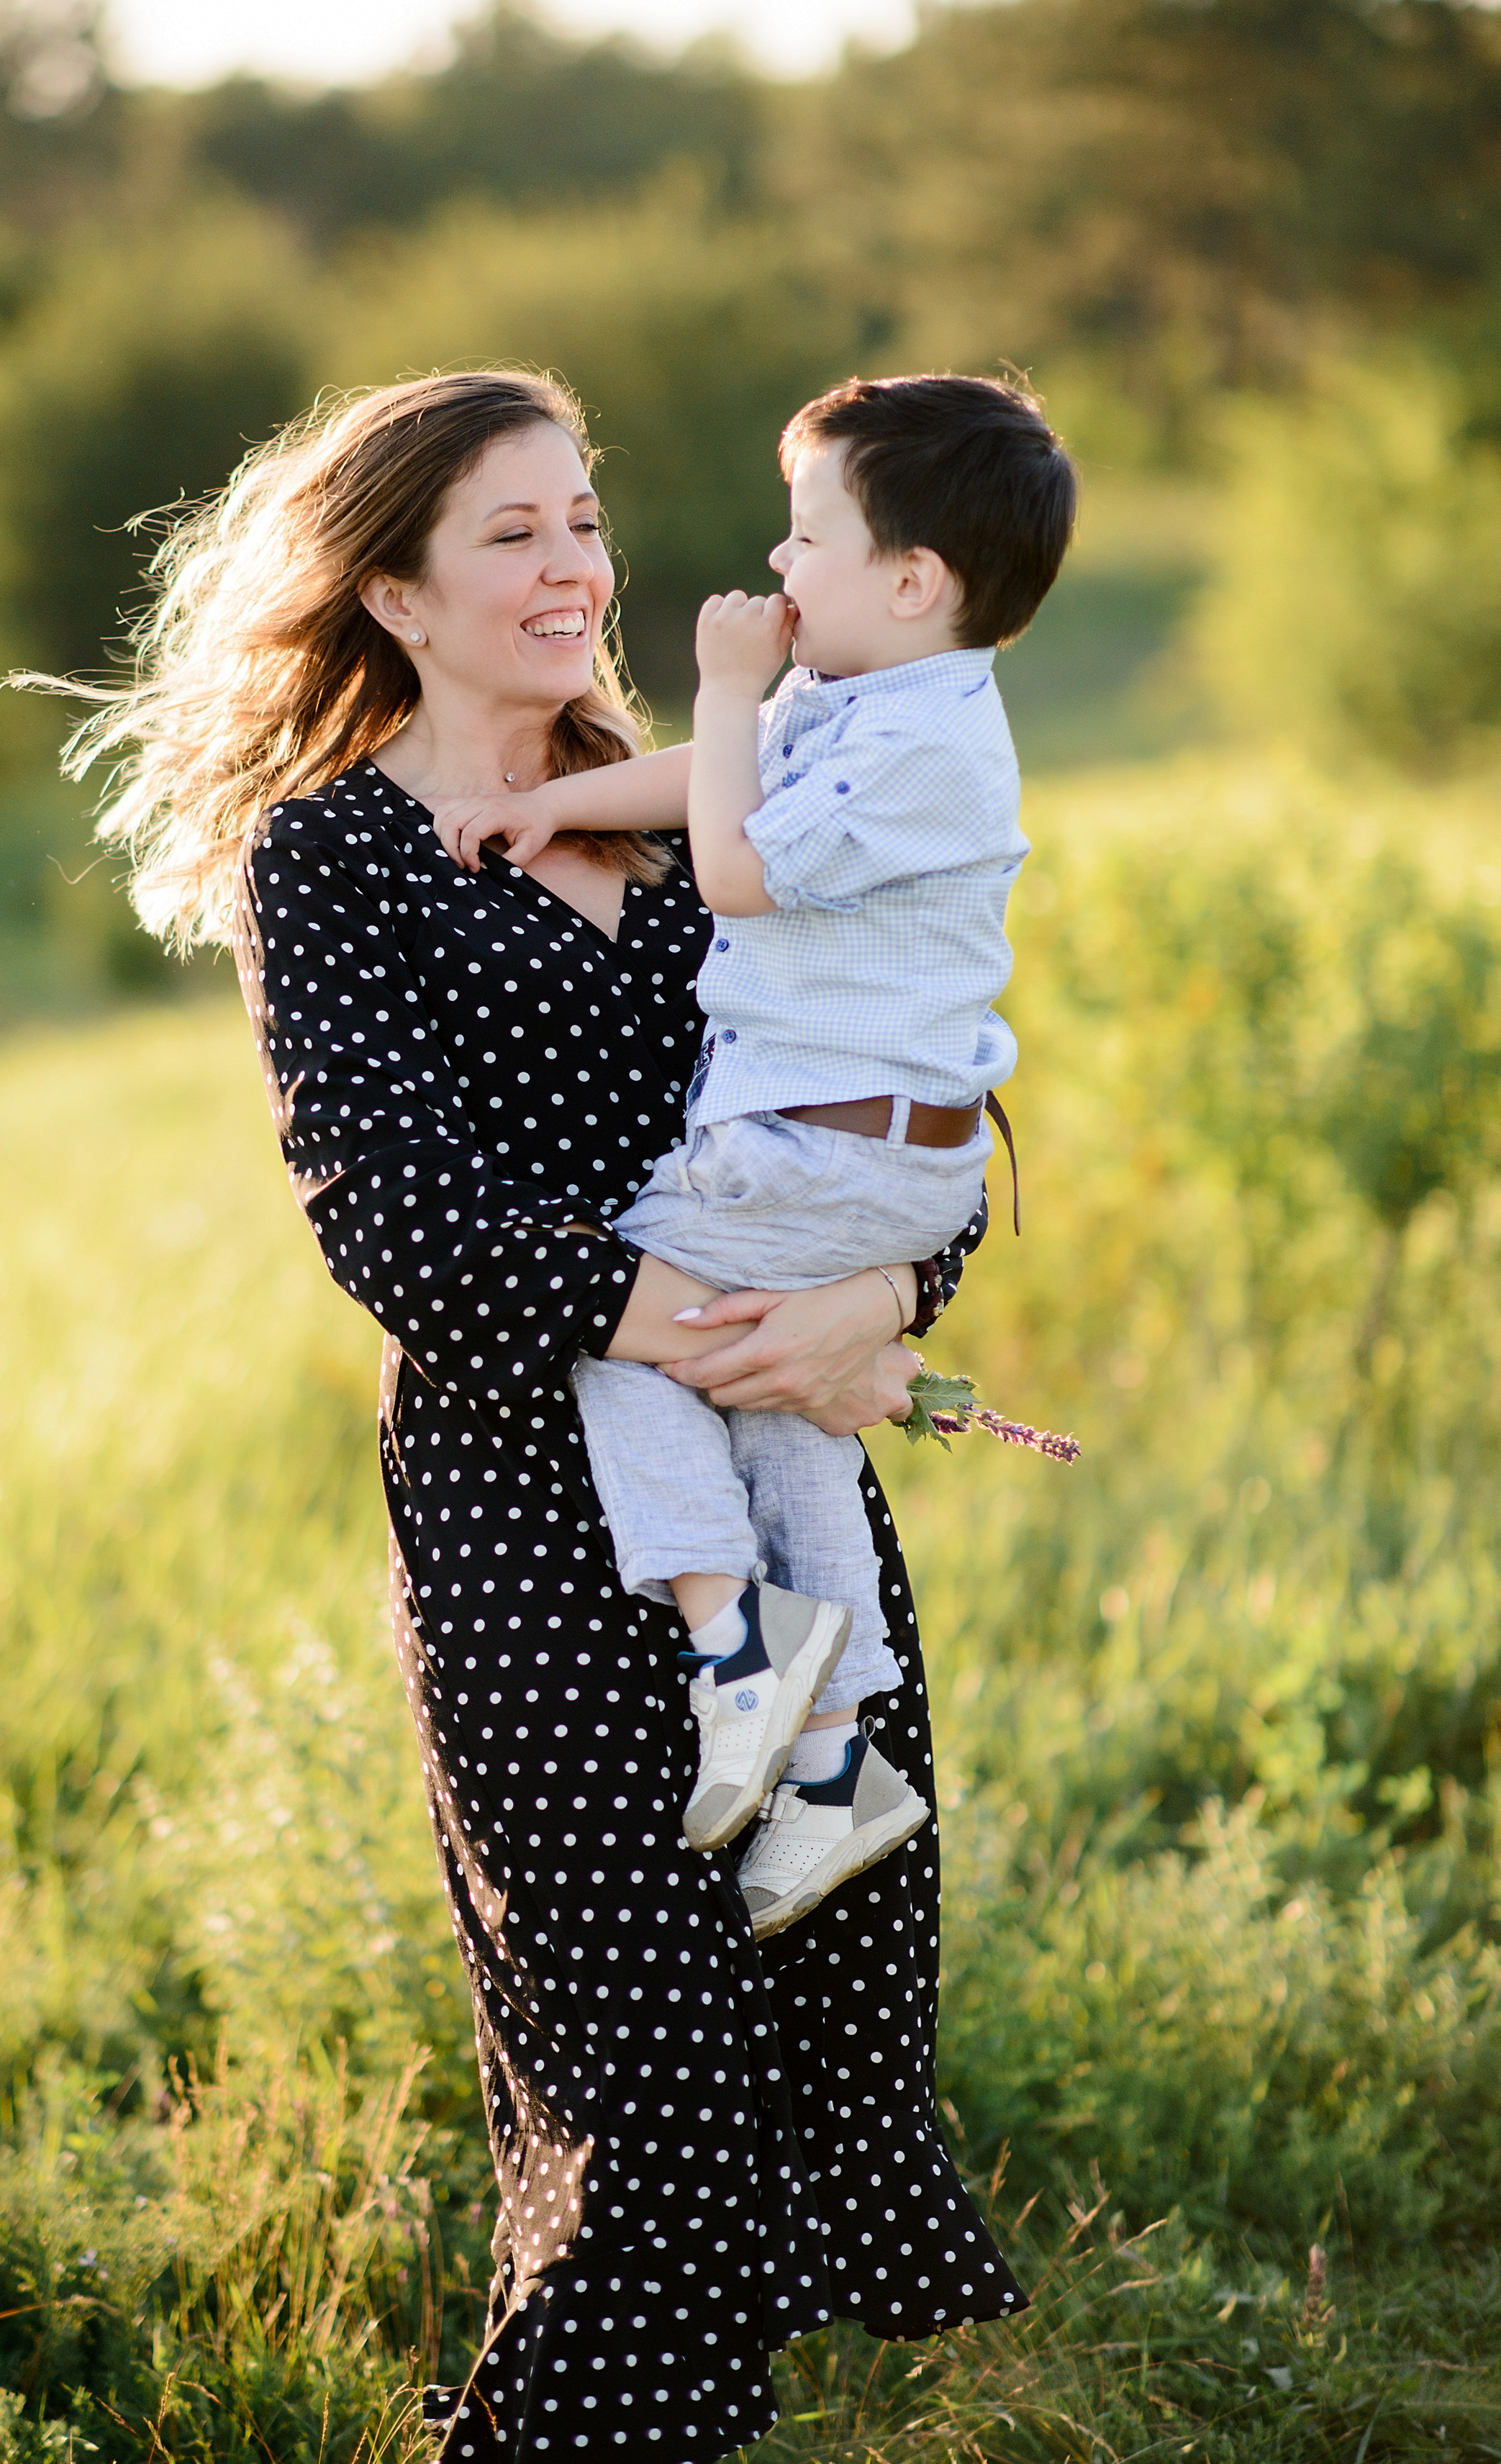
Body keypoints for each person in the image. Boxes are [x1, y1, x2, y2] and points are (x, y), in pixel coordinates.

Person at [65, 369, 1025, 2461]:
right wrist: (707, 1320)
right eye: (512, 530)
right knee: (648, 2090)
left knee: (813, 2020)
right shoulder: (333, 860)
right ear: (393, 586)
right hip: (531, 1524)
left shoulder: (721, 805)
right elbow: (388, 1212)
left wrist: (886, 1297)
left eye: (582, 515)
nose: (577, 561)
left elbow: (914, 1073)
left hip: (787, 1487)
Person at [432, 376, 1075, 1947]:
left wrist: (722, 688)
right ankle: (838, 1753)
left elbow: (728, 860)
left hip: (816, 1159)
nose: (775, 573)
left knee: (635, 1337)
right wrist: (547, 808)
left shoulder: (924, 737)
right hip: (860, 1165)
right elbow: (712, 794)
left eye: (806, 540)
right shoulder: (870, 698)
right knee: (781, 1409)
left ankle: (734, 1651)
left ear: (912, 580)